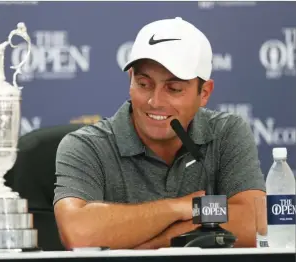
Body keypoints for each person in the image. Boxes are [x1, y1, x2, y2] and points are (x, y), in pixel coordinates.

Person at [53, 17, 266, 250]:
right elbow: (79, 233)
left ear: (204, 93)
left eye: (173, 89)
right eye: (144, 84)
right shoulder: (86, 146)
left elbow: (255, 223)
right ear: (130, 80)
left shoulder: (226, 133)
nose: (155, 101)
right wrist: (178, 207)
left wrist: (162, 241)